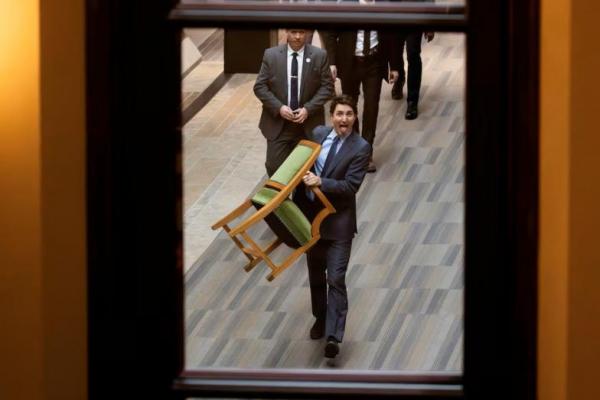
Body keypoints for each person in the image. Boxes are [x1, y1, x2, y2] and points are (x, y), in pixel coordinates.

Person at [294, 95, 371, 360]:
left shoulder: (361, 147)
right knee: (316, 276)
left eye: (349, 114)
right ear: (331, 117)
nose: (344, 119)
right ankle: (321, 317)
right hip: (312, 222)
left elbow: (350, 187)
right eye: (340, 114)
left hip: (339, 224)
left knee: (335, 278)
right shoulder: (317, 134)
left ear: (355, 117)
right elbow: (301, 162)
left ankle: (334, 337)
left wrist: (320, 182)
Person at [322, 9, 401, 173]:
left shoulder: (382, 7)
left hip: (374, 63)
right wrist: (332, 62)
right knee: (349, 106)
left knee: (372, 107)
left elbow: (391, 36)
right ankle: (355, 147)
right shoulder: (346, 6)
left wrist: (394, 65)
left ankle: (366, 151)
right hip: (350, 62)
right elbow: (330, 33)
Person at [254, 29, 334, 177]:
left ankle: (299, 200)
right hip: (279, 124)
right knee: (274, 167)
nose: (297, 37)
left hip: (308, 124)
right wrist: (279, 107)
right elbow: (260, 87)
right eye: (293, 32)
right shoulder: (271, 55)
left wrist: (308, 109)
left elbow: (328, 88)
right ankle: (284, 200)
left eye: (301, 32)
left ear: (307, 34)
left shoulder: (319, 55)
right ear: (286, 32)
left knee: (307, 172)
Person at [389, 0, 435, 119]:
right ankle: (400, 80)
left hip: (415, 16)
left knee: (413, 55)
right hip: (394, 16)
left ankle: (412, 102)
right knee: (394, 54)